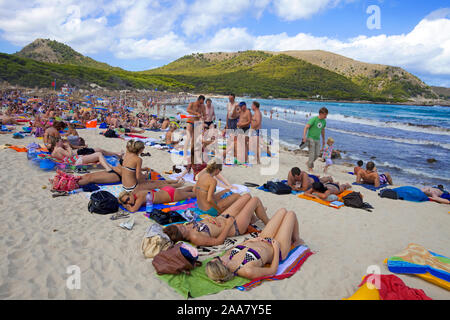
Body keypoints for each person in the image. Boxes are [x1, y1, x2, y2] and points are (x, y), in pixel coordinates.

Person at [205, 208, 302, 281]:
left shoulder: (227, 256)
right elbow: (272, 271)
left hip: (263, 238)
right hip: (278, 248)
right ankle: (296, 239)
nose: (219, 256)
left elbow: (238, 246)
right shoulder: (247, 270)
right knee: (290, 214)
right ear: (223, 264)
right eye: (218, 258)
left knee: (282, 211)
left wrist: (252, 240)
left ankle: (293, 237)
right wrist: (276, 249)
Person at [163, 193, 270, 247]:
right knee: (255, 200)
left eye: (179, 225)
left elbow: (200, 220)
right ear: (180, 235)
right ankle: (267, 222)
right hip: (234, 227)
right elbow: (218, 242)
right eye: (180, 228)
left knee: (247, 196)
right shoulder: (195, 237)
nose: (181, 225)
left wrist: (207, 217)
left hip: (222, 217)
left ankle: (255, 216)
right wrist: (228, 225)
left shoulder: (187, 226)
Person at [117, 186, 196, 213]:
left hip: (171, 196)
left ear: (129, 194)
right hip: (166, 191)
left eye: (128, 199)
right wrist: (122, 201)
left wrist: (125, 205)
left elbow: (133, 210)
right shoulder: (135, 193)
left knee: (194, 195)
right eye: (126, 201)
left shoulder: (140, 198)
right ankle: (196, 186)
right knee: (184, 190)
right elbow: (119, 199)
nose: (128, 202)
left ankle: (203, 189)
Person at [301, 107, 328, 172]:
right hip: (310, 138)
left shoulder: (324, 121)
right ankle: (310, 168)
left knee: (317, 154)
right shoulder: (314, 119)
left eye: (326, 115)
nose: (326, 116)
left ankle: (308, 163)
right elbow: (306, 127)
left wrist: (324, 140)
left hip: (317, 139)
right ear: (321, 114)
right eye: (325, 115)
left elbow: (322, 130)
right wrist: (304, 137)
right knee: (312, 154)